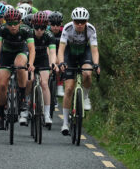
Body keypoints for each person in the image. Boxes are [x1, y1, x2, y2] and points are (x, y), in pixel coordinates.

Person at [56, 7, 100, 135]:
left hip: (84, 53)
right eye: (77, 21)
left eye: (83, 21)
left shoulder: (91, 29)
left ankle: (85, 97)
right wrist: (61, 62)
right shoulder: (67, 28)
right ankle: (65, 123)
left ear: (86, 21)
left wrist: (96, 64)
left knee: (87, 73)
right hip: (70, 54)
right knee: (69, 88)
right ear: (73, 21)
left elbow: (94, 50)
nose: (80, 24)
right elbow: (61, 49)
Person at [0, 8, 35, 130]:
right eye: (10, 24)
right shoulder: (2, 29)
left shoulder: (26, 30)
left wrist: (31, 63)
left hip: (21, 52)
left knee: (19, 64)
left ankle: (22, 98)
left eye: (16, 23)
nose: (13, 26)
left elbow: (32, 49)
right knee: (2, 85)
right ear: (6, 23)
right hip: (5, 55)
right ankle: (0, 113)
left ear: (20, 22)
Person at [29, 11, 56, 127]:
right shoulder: (29, 34)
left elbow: (52, 51)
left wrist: (53, 63)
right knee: (29, 80)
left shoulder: (49, 35)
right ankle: (25, 107)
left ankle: (47, 114)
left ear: (46, 27)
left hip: (43, 59)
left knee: (44, 83)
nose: (39, 30)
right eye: (37, 27)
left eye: (42, 28)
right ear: (33, 26)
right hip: (30, 58)